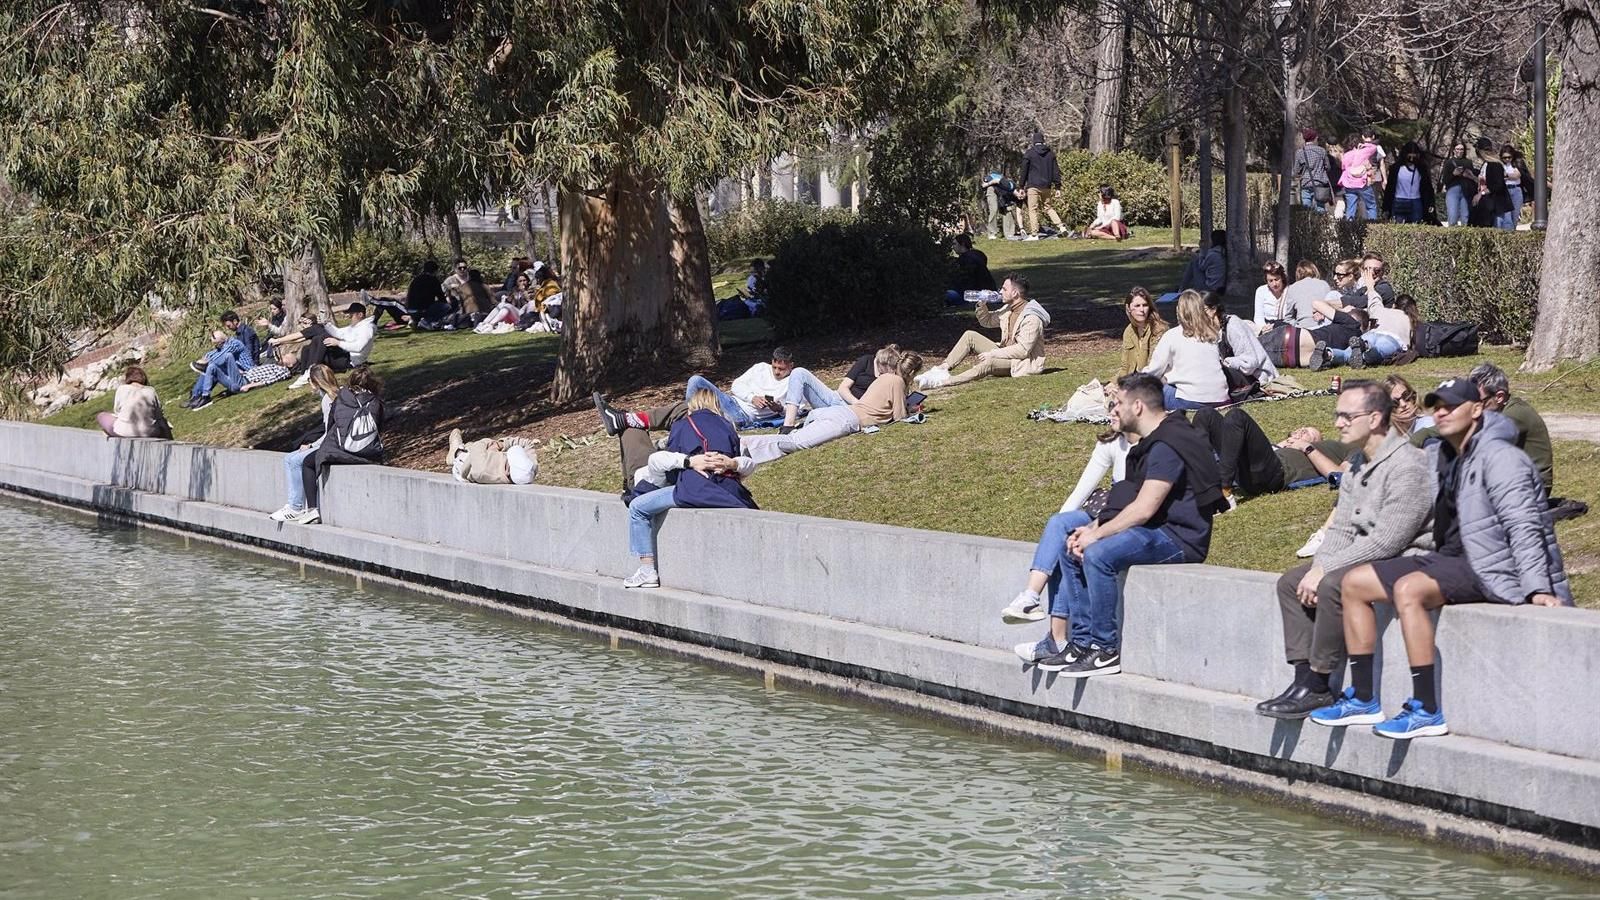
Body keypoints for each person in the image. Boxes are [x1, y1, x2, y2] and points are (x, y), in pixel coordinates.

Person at [1311, 376, 1571, 739]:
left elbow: (1525, 527)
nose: (1442, 413)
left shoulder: (1502, 459)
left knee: (1408, 590)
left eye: (1452, 406)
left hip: (1493, 565)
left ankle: (1426, 707)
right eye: (1437, 407)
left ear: (1478, 409)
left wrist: (1537, 588)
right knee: (1353, 583)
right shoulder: (1439, 453)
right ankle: (1364, 700)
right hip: (1447, 557)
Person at [1014, 372, 1223, 676]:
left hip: (1179, 539)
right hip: (1154, 528)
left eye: (1119, 403)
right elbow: (1127, 500)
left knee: (1099, 554)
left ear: (1137, 406)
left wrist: (1096, 535)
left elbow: (1144, 508)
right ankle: (1080, 645)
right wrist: (1090, 529)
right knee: (1071, 543)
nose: (1113, 408)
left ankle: (1104, 650)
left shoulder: (1168, 444)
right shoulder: (1151, 441)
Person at [1256, 380, 1435, 719]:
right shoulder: (1356, 462)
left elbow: (1388, 541)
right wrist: (1317, 566)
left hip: (1408, 560)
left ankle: (1321, 681)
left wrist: (1325, 571)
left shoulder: (1408, 464)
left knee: (1333, 583)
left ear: (1376, 418)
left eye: (1346, 416)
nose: (1338, 423)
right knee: (1291, 583)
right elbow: (1340, 528)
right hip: (1365, 556)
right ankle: (1302, 680)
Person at [1000, 389, 1135, 625]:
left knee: (1071, 543)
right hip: (1108, 513)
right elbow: (1080, 492)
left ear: (1137, 408)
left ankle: (1056, 637)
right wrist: (1053, 534)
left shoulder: (1155, 444)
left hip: (1132, 521)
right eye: (1110, 405)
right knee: (1060, 527)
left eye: (1117, 406)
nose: (1110, 412)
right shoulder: (1111, 442)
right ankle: (1031, 597)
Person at [622, 388, 758, 589]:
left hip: (693, 491)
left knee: (637, 508)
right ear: (716, 405)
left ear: (692, 405)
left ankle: (647, 571)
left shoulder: (683, 425)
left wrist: (689, 462)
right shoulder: (728, 426)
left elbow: (663, 461)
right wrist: (731, 464)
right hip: (730, 493)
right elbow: (747, 464)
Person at [741, 353, 922, 464]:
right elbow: (899, 417)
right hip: (845, 419)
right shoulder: (897, 381)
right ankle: (741, 443)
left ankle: (745, 449)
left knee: (795, 440)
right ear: (912, 372)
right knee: (795, 443)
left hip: (838, 414)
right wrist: (913, 411)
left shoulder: (884, 377)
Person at [287, 365, 387, 526]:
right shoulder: (376, 402)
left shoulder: (341, 398)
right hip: (370, 453)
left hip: (342, 451)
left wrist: (316, 446)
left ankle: (312, 509)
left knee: (307, 463)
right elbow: (379, 428)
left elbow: (331, 428)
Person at [1190, 406, 1352, 502]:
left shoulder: (1347, 448)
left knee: (1236, 416)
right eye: (1303, 428)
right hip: (1248, 468)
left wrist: (1306, 446)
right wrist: (1283, 443)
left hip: (1276, 473)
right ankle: (1201, 485)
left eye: (1310, 433)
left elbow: (1340, 477)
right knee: (1206, 415)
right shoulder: (1277, 447)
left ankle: (1223, 493)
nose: (1303, 430)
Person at [918, 274, 1050, 389]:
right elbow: (986, 321)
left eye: (1004, 289)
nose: (1000, 291)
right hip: (1004, 352)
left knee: (989, 362)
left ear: (1015, 293)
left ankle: (944, 381)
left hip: (1022, 362)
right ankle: (942, 369)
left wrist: (992, 353)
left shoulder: (1031, 317)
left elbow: (1022, 350)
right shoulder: (1008, 309)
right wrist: (982, 304)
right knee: (970, 335)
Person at [268, 364, 342, 525]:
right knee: (288, 458)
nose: (309, 385)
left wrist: (311, 445)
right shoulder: (336, 394)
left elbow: (330, 431)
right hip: (332, 441)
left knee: (295, 460)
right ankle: (293, 504)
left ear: (316, 382)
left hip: (333, 444)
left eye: (310, 382)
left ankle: (296, 507)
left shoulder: (328, 399)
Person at [1142, 290, 1229, 410]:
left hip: (1192, 400)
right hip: (1221, 398)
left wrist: (1133, 380)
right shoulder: (1211, 334)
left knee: (1152, 389)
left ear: (1179, 311)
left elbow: (1154, 370)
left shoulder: (1172, 335)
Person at [676, 348, 794, 429]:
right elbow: (736, 385)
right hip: (731, 402)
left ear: (791, 366)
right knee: (695, 380)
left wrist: (779, 409)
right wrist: (752, 398)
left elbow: (798, 410)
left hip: (742, 415)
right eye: (774, 367)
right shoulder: (760, 368)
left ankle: (689, 423)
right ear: (771, 362)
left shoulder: (793, 381)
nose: (777, 372)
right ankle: (689, 420)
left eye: (781, 369)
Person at [289, 302, 375, 387]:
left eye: (351, 315)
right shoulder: (355, 326)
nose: (349, 317)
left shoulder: (367, 329)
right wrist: (326, 323)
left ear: (360, 315)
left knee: (323, 337)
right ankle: (304, 373)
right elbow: (338, 333)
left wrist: (338, 343)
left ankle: (312, 370)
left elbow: (358, 347)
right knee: (307, 348)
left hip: (350, 361)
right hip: (344, 356)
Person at [1324, 294, 1416, 369]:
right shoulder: (1410, 319)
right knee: (1377, 352)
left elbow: (1374, 300)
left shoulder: (1382, 310)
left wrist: (1370, 285)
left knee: (1346, 354)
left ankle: (1328, 354)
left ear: (1394, 306)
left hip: (1371, 334)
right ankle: (1366, 347)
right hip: (1392, 339)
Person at [1205, 291, 1276, 388]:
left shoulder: (1233, 325)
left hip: (1257, 377)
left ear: (1213, 309)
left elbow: (1250, 362)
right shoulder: (1210, 330)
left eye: (1203, 310)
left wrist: (1226, 363)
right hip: (1238, 374)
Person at [184, 327, 258, 410]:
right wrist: (206, 357)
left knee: (220, 361)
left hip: (245, 373)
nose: (216, 346)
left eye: (216, 344)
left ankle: (198, 394)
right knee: (211, 368)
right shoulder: (224, 345)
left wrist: (207, 360)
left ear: (221, 341)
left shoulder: (234, 344)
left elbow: (222, 355)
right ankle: (199, 396)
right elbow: (214, 353)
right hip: (235, 376)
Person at [96, 366, 172, 439]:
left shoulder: (122, 389)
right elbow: (158, 413)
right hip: (150, 432)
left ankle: (108, 432)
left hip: (124, 432)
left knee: (101, 415)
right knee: (162, 422)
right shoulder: (151, 391)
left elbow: (117, 410)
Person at [445, 428, 540, 485]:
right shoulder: (530, 469)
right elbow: (528, 444)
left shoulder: (483, 470)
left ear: (507, 470)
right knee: (477, 448)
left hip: (466, 462)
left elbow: (478, 446)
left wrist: (492, 445)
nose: (505, 456)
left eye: (507, 458)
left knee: (467, 451)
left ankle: (455, 452)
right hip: (484, 456)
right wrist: (502, 444)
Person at [1019, 130, 1066, 239]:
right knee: (1048, 208)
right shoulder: (1050, 154)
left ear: (1034, 141)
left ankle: (1034, 234)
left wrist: (1021, 186)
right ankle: (1061, 227)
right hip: (1047, 186)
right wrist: (1058, 186)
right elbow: (1056, 171)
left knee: (1033, 209)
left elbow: (1024, 171)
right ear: (1043, 141)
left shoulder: (1029, 153)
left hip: (1033, 186)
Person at [1163, 230, 1227, 302]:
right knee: (1195, 261)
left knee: (1194, 262)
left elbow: (1201, 266)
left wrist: (1202, 249)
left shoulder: (1213, 253)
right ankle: (1183, 288)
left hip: (1210, 288)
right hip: (1219, 286)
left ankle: (1181, 289)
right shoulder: (1223, 252)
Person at [1119, 288, 1169, 376]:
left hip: (1153, 381)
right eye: (1137, 306)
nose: (1142, 310)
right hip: (1134, 380)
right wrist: (1114, 383)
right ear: (1128, 308)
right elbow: (1125, 367)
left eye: (1145, 305)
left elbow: (1155, 368)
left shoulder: (1159, 330)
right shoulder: (1129, 331)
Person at [1381, 141, 1434, 224]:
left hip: (1416, 201)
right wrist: (1386, 208)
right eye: (1410, 153)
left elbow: (1427, 188)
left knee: (1416, 230)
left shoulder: (1421, 169)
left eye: (1414, 154)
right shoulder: (1396, 168)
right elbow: (1390, 188)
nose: (1412, 157)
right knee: (1398, 229)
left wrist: (1430, 203)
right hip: (1399, 201)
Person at [1469, 136, 1513, 228]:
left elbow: (1498, 185)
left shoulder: (1495, 165)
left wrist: (1481, 193)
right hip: (1486, 203)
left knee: (1496, 229)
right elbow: (1485, 182)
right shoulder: (1485, 164)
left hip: (1496, 205)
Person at [1339, 131, 1382, 221]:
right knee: (1371, 206)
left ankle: (1349, 229)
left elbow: (1343, 167)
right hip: (1362, 183)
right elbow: (1374, 147)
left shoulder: (1346, 155)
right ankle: (1372, 227)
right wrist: (1364, 146)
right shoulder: (1363, 152)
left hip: (1349, 184)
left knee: (1350, 208)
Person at [1293, 128, 1334, 212]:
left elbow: (1296, 170)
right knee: (1320, 207)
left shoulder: (1300, 152)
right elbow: (1328, 167)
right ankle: (1320, 223)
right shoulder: (1322, 151)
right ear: (1315, 138)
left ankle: (1308, 223)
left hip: (1306, 183)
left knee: (1306, 208)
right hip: (1320, 183)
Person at [948, 234, 996, 302]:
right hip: (987, 291)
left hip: (973, 294)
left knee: (947, 294)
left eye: (955, 244)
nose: (953, 247)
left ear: (962, 244)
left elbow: (967, 282)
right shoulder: (978, 255)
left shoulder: (966, 260)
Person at [1439, 140, 1476, 227]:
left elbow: (1473, 178)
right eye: (1457, 149)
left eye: (1462, 149)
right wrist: (1453, 174)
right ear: (1453, 150)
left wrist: (1469, 175)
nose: (1459, 151)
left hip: (1466, 191)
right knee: (1452, 217)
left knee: (1465, 217)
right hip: (1452, 190)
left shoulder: (1468, 162)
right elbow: (1444, 180)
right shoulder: (1448, 162)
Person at [981, 172, 1022, 240]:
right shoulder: (1009, 185)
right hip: (992, 189)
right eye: (1019, 196)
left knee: (1008, 209)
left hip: (1001, 193)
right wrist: (986, 184)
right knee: (994, 209)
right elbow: (996, 180)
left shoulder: (1013, 191)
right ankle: (992, 233)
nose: (1019, 197)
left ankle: (1009, 233)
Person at [1252, 261, 1289, 328]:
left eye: (1276, 279)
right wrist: (1264, 327)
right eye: (1271, 281)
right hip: (1267, 327)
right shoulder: (1261, 291)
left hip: (1285, 327)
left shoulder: (1290, 291)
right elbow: (1258, 316)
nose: (1274, 284)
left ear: (1282, 278)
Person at [1499, 144, 1527, 230]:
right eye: (1505, 158)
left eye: (1509, 157)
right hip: (1505, 191)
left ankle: (1513, 232)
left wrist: (1506, 175)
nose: (1507, 159)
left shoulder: (1517, 163)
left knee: (1515, 216)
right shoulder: (1500, 165)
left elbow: (1516, 175)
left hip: (1516, 190)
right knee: (1507, 217)